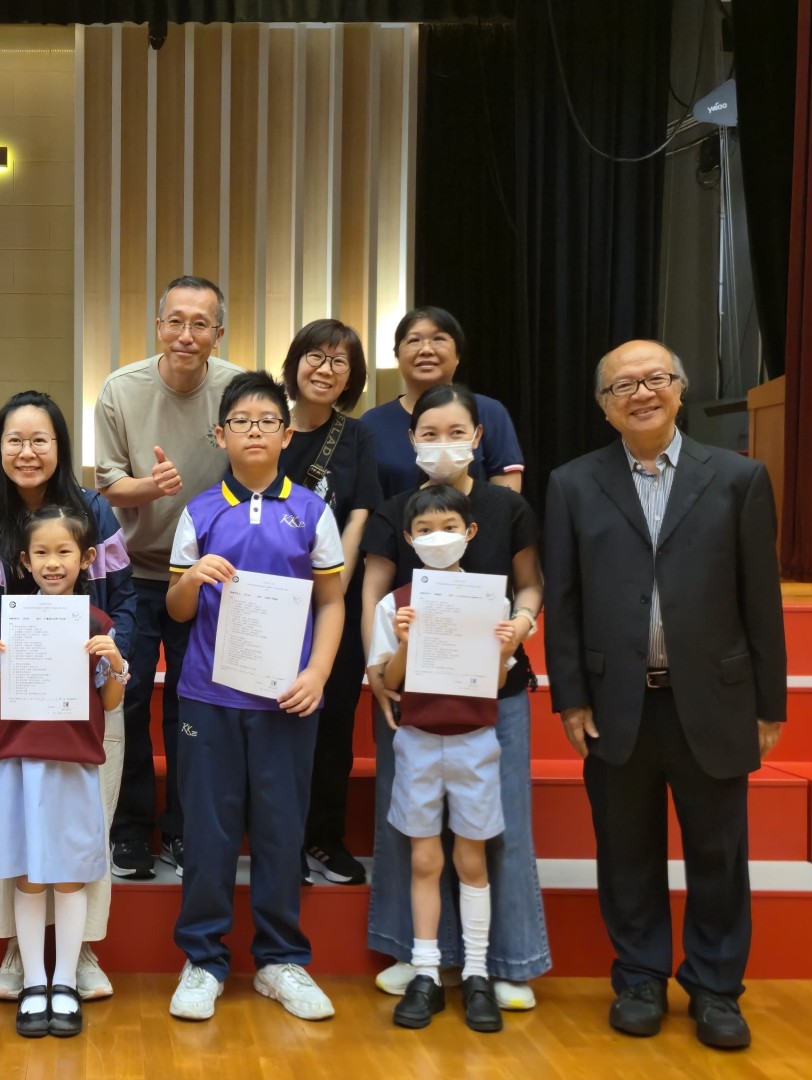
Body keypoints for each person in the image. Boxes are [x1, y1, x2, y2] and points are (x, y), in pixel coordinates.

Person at [544, 340, 787, 1051]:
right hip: (616, 703)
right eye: (623, 386)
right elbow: (564, 600)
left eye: (655, 379)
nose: (642, 393)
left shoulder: (739, 478)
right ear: (604, 406)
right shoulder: (572, 484)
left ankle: (715, 988)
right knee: (626, 852)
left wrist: (769, 703)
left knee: (719, 854)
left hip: (713, 700)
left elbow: (761, 600)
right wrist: (571, 698)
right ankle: (640, 978)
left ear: (680, 389)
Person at [359, 383, 550, 1009]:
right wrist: (377, 670)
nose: (444, 444)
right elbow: (375, 594)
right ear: (411, 439)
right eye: (430, 433)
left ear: (479, 436)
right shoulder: (395, 511)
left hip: (490, 700)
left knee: (495, 833)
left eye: (457, 432)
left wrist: (519, 625)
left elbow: (530, 585)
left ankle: (500, 963)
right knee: (413, 840)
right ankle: (418, 958)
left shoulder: (506, 507)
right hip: (414, 701)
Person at [164, 371, 346, 1023]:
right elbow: (176, 609)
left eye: (267, 421)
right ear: (221, 435)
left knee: (280, 830)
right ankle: (203, 960)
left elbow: (332, 602)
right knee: (207, 833)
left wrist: (318, 673)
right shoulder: (200, 510)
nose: (255, 431)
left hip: (286, 701)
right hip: (209, 698)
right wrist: (193, 580)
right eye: (241, 421)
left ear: (287, 434)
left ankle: (280, 960)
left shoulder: (314, 511)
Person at [0, 391, 137, 1003]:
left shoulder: (95, 513)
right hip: (14, 712)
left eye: (40, 440)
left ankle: (79, 954)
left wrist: (115, 665)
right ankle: (19, 953)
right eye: (15, 440)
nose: (27, 452)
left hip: (88, 705)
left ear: (60, 447)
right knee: (19, 835)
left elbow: (124, 601)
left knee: (85, 835)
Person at [94, 274, 245, 880]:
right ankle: (131, 828)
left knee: (193, 701)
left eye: (199, 324)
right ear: (159, 326)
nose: (186, 334)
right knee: (127, 697)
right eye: (175, 321)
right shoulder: (121, 389)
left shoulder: (236, 390)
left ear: (218, 332)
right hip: (132, 572)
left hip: (207, 576)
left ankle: (184, 827)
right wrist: (149, 487)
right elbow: (108, 485)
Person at [0, 504, 130, 1038]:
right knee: (28, 873)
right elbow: (1, 692)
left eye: (64, 551)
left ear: (86, 558)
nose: (52, 562)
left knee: (70, 872)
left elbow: (110, 702)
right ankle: (34, 981)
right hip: (19, 762)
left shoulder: (98, 623)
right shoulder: (12, 618)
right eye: (41, 552)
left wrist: (117, 664)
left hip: (73, 763)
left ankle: (64, 981)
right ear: (25, 561)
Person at [367, 485, 517, 1034]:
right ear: (408, 539)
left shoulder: (490, 599)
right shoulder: (394, 603)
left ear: (470, 533)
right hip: (418, 740)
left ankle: (476, 973)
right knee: (425, 859)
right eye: (425, 530)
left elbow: (495, 682)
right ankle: (426, 971)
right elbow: (389, 680)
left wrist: (504, 648)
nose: (438, 538)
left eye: (449, 527)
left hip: (476, 740)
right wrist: (407, 640)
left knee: (472, 859)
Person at [276, 319, 383, 885]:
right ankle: (281, 840)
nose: (325, 368)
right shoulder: (268, 423)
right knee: (275, 719)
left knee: (334, 718)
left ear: (351, 377)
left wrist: (333, 582)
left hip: (331, 599)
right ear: (295, 363)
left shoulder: (357, 436)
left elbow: (360, 510)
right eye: (315, 356)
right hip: (270, 598)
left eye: (340, 361)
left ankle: (324, 834)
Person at [359, 306, 526, 498]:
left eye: (438, 339)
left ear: (458, 356)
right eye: (414, 340)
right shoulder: (372, 423)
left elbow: (507, 498)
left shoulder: (489, 412)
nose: (426, 350)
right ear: (397, 356)